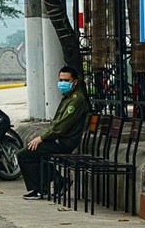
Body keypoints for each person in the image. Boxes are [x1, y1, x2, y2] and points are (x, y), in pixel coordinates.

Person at [16, 65, 90, 200]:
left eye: (66, 81)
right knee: (33, 153)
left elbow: (62, 126)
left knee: (24, 155)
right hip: (58, 139)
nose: (63, 83)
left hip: (65, 142)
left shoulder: (76, 100)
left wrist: (42, 138)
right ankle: (56, 181)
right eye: (61, 80)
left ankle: (41, 188)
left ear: (74, 82)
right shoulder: (68, 97)